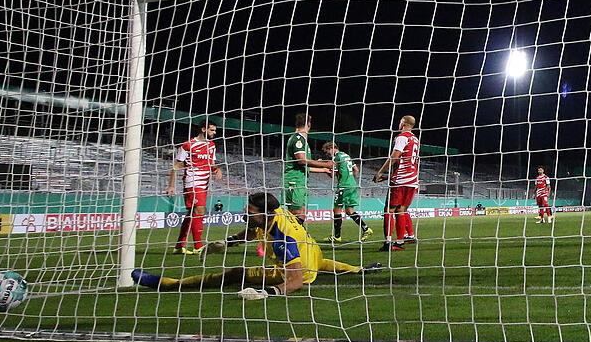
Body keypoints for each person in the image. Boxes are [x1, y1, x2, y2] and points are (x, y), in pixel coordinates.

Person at [131, 193, 381, 299]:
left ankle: (171, 285)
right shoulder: (274, 213)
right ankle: (359, 269)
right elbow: (254, 229)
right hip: (314, 253)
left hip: (298, 270)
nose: (244, 213)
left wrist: (266, 293)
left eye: (249, 211)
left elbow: (295, 282)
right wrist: (228, 242)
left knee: (236, 274)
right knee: (319, 263)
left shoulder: (283, 239)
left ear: (264, 213)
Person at [167, 119, 223, 255]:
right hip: (192, 182)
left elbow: (211, 163)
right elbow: (176, 166)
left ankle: (179, 246)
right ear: (203, 129)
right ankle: (198, 246)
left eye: (215, 130)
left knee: (191, 214)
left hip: (204, 183)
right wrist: (171, 185)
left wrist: (216, 170)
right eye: (212, 130)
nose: (214, 133)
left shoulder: (211, 145)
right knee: (199, 211)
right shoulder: (188, 145)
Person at [374, 115, 419, 251]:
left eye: (400, 122)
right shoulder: (415, 139)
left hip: (400, 180)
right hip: (412, 181)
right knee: (401, 210)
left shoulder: (402, 137)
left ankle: (388, 242)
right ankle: (399, 242)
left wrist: (380, 172)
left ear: (403, 123)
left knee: (389, 210)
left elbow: (395, 156)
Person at [283, 113, 333, 225]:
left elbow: (306, 166)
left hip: (300, 180)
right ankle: (290, 238)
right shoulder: (298, 139)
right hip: (294, 181)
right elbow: (301, 160)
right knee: (296, 212)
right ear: (308, 124)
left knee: (302, 213)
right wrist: (325, 164)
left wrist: (324, 170)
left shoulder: (301, 140)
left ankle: (297, 236)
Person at [321, 142, 372, 242]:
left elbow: (332, 175)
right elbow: (356, 170)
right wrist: (349, 179)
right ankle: (366, 229)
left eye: (327, 152)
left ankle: (337, 236)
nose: (327, 154)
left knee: (337, 210)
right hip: (352, 185)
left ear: (331, 148)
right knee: (349, 211)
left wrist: (324, 169)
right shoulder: (346, 155)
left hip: (343, 187)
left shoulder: (336, 157)